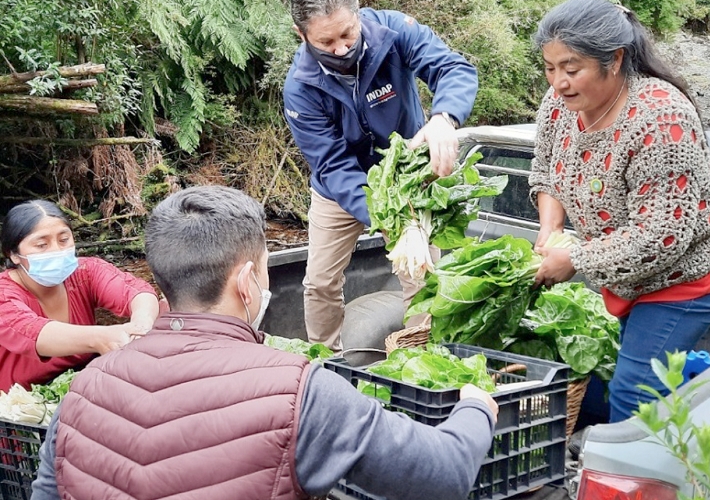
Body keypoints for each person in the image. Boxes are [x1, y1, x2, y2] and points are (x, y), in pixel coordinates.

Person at [32, 185, 497, 500]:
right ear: (248, 281)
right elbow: (445, 474)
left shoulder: (81, 392)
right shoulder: (301, 391)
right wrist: (477, 407)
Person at [528, 0, 710, 422]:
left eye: (572, 69)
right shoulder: (559, 105)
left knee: (633, 389)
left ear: (615, 59)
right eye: (550, 69)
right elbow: (546, 171)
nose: (558, 82)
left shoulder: (660, 119)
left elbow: (661, 236)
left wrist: (573, 257)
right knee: (614, 364)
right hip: (623, 266)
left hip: (688, 273)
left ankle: (636, 478)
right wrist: (548, 231)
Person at [283, 0, 479, 350]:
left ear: (358, 14)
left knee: (422, 274)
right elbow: (332, 164)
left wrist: (444, 117)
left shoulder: (395, 32)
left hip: (408, 177)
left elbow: (452, 68)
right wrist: (386, 216)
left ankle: (421, 355)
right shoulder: (299, 88)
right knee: (320, 281)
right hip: (339, 189)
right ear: (301, 34)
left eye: (347, 34)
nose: (341, 48)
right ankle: (326, 361)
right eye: (326, 42)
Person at [0, 200, 159, 392]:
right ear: (14, 255)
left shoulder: (86, 272)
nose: (57, 250)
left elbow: (137, 292)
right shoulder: (4, 295)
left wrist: (141, 326)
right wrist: (102, 338)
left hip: (78, 387)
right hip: (19, 406)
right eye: (42, 244)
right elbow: (34, 333)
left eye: (64, 239)